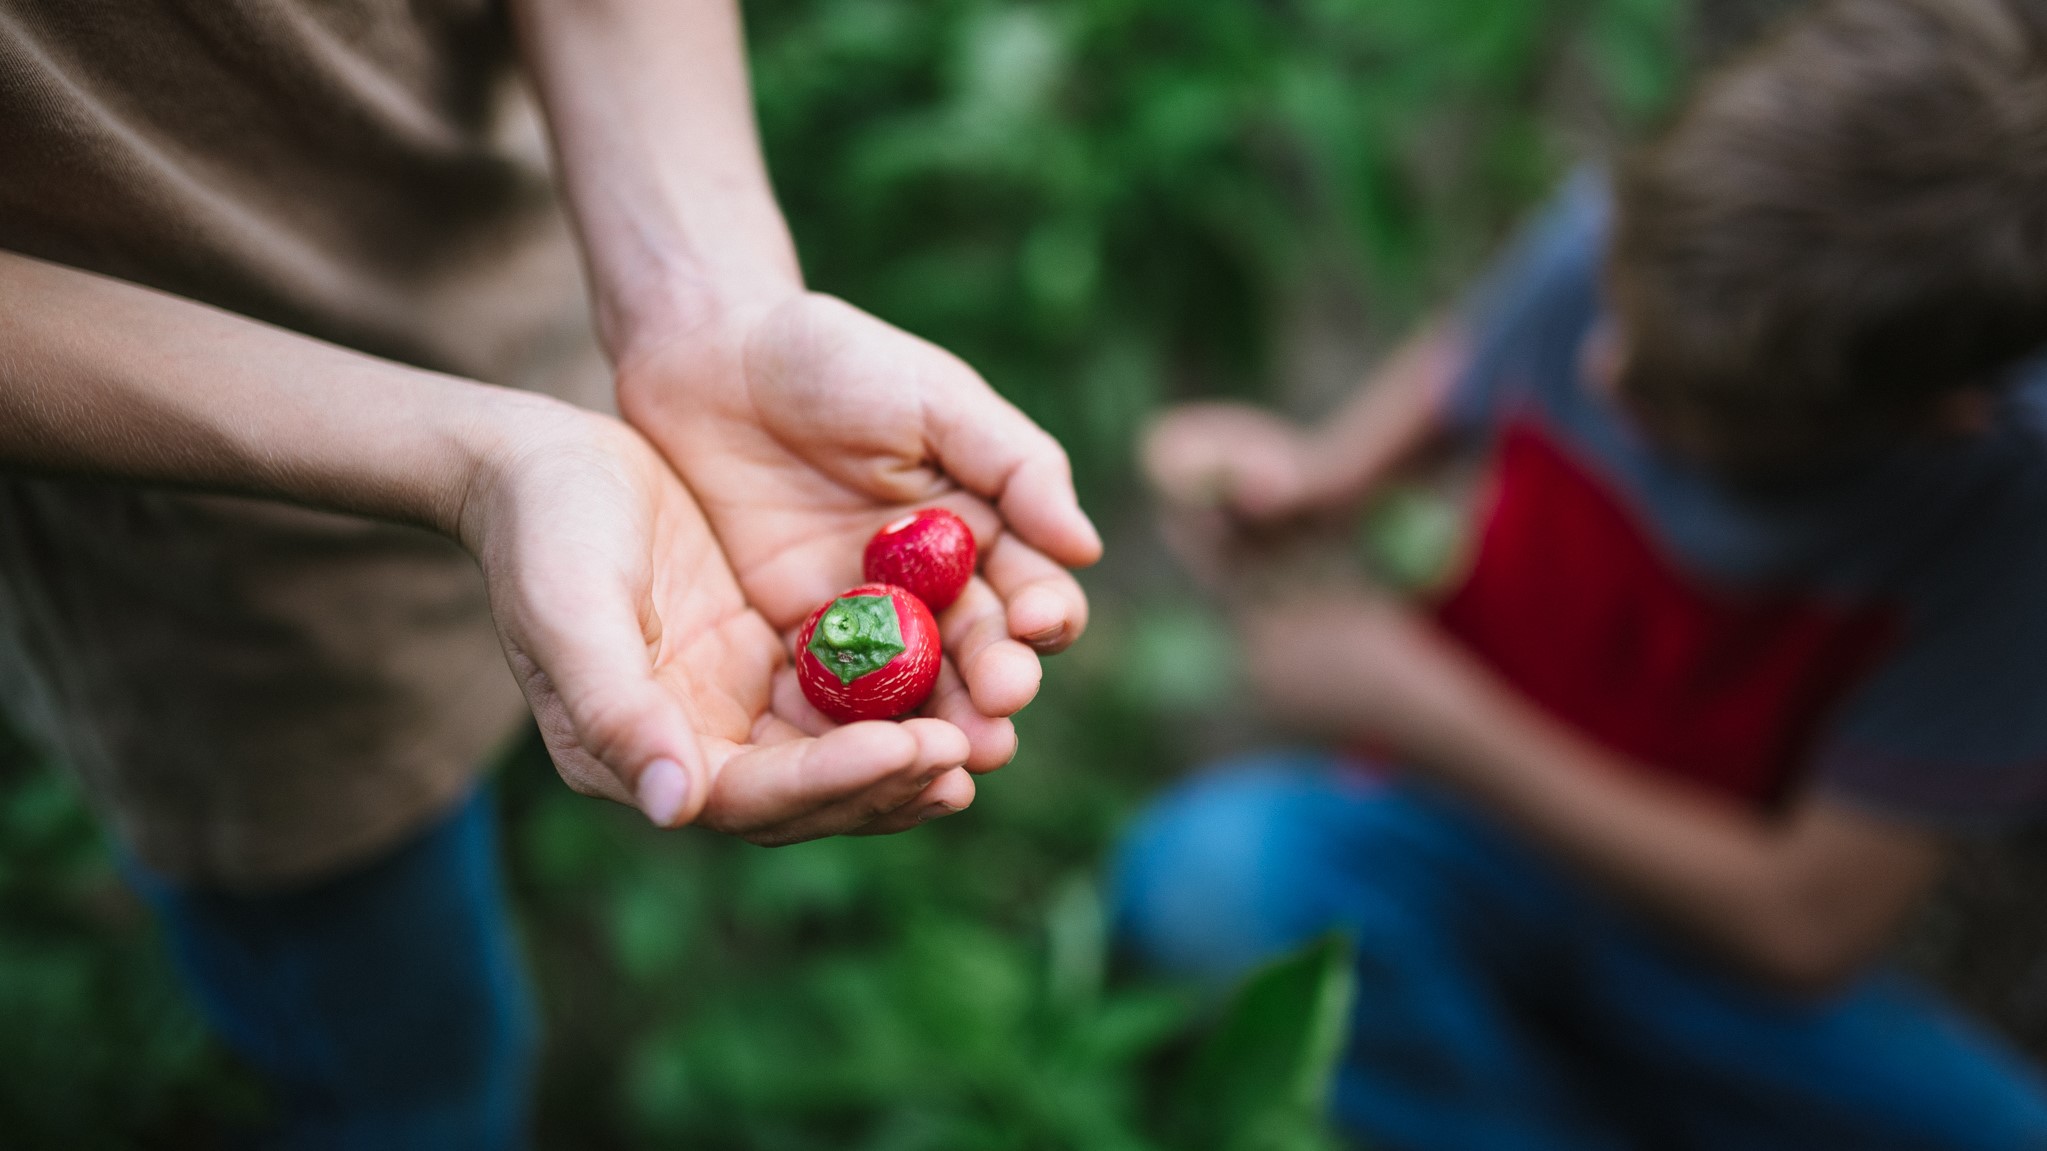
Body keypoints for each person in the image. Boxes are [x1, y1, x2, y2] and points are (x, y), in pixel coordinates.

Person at [0, 1, 1098, 1145]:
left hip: (590, 376)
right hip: (214, 563)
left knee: (571, 679)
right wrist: (479, 463)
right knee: (405, 1053)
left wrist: (706, 303)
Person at [1125, 0, 2047, 1146]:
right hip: (1432, 844)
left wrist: (1424, 706)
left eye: (1680, 405)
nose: (1603, 373)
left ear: (1929, 419)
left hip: (1706, 955)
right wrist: (1303, 482)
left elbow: (1803, 926)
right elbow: (1456, 373)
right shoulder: (1630, 247)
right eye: (1609, 308)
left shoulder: (2005, 515)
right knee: (1215, 872)